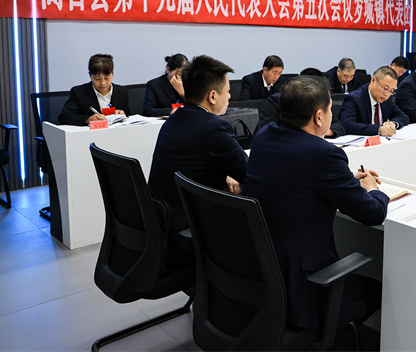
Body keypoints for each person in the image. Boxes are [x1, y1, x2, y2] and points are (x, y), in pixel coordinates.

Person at [243, 76, 389, 330]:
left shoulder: (265, 135)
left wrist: (343, 179)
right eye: (331, 110)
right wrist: (373, 189)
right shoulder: (326, 154)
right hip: (303, 283)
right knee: (376, 289)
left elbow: (292, 173)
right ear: (319, 117)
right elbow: (373, 214)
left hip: (259, 266)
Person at [147, 55, 247, 262]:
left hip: (164, 224)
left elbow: (193, 163)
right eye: (227, 91)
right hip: (190, 230)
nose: (229, 96)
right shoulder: (215, 127)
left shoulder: (176, 118)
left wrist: (224, 175)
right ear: (213, 96)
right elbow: (250, 173)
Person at [254, 68, 346, 138]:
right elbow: (264, 132)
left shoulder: (321, 101)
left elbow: (339, 126)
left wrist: (323, 131)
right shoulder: (278, 100)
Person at [58, 54, 131, 125]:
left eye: (107, 78)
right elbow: (64, 117)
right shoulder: (79, 92)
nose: (102, 83)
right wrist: (88, 119)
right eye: (97, 78)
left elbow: (128, 116)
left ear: (112, 73)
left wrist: (122, 114)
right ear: (90, 75)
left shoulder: (121, 91)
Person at [339, 66, 410, 136]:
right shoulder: (354, 98)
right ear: (373, 80)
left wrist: (393, 124)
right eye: (385, 88)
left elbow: (403, 116)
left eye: (391, 91)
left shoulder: (387, 99)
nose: (387, 94)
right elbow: (347, 124)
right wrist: (378, 129)